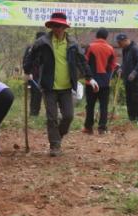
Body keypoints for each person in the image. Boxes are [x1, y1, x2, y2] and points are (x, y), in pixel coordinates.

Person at [23, 12, 98, 157]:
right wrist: (27, 71)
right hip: (48, 86)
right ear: (51, 26)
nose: (57, 29)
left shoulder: (72, 44)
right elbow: (31, 58)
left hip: (67, 86)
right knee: (51, 117)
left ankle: (58, 136)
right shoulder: (42, 43)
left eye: (60, 26)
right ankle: (55, 146)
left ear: (65, 27)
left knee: (68, 116)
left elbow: (81, 61)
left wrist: (90, 77)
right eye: (54, 26)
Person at [82, 28, 118, 135]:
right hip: (105, 82)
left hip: (91, 81)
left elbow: (84, 62)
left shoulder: (90, 46)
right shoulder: (111, 49)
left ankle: (88, 128)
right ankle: (102, 128)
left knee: (90, 105)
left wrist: (87, 76)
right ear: (106, 37)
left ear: (96, 35)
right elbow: (113, 65)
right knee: (104, 106)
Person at [116, 33, 138, 123]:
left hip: (136, 79)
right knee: (129, 98)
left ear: (125, 40)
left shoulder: (135, 48)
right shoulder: (125, 50)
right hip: (127, 78)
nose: (119, 45)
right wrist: (121, 68)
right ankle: (131, 118)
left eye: (120, 43)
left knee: (136, 98)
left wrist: (134, 72)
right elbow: (124, 62)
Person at [22, 32, 46, 116]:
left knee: (47, 95)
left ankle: (50, 114)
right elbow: (26, 61)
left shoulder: (47, 48)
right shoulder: (31, 48)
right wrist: (27, 73)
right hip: (33, 76)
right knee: (35, 94)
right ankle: (34, 113)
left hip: (44, 75)